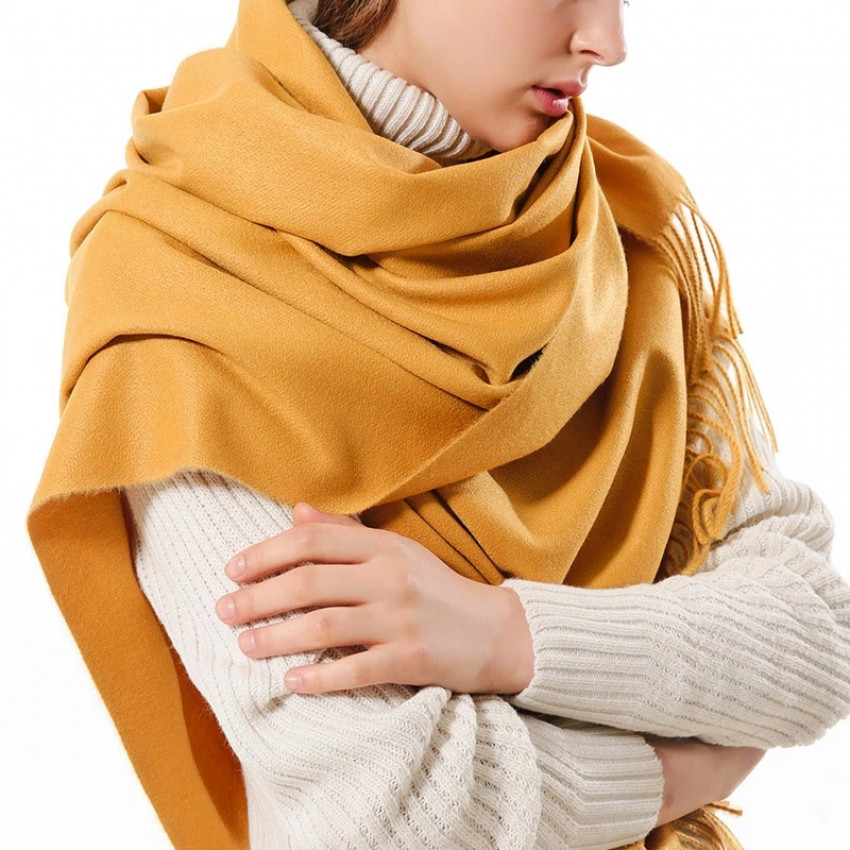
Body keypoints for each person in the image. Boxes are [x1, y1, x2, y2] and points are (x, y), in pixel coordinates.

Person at [28, 0, 850, 848]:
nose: (607, 42)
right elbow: (399, 816)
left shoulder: (618, 223)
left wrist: (504, 635)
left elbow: (816, 636)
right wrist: (675, 775)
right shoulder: (181, 288)